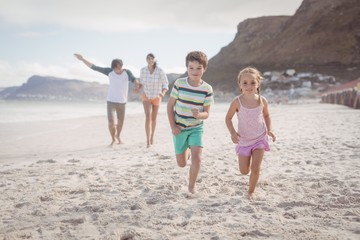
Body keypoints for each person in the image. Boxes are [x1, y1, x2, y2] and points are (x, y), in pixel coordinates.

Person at [225, 67, 276, 199]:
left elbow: (267, 115)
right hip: (244, 140)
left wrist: (270, 129)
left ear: (258, 84)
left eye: (253, 82)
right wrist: (232, 133)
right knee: (244, 171)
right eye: (245, 83)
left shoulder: (262, 100)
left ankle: (251, 191)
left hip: (260, 138)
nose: (249, 86)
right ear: (240, 85)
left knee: (255, 168)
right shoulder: (237, 102)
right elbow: (228, 118)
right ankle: (248, 175)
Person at [167, 51, 214, 194]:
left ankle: (191, 186)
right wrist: (173, 126)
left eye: (198, 68)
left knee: (197, 159)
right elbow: (170, 106)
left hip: (196, 128)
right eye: (191, 67)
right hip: (179, 128)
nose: (195, 71)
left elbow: (207, 114)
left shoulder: (207, 89)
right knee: (181, 164)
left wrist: (199, 114)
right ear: (186, 68)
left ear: (204, 69)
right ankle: (186, 148)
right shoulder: (180, 83)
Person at [74, 53, 138, 146]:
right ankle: (113, 139)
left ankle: (118, 137)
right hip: (111, 101)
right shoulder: (109, 71)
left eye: (119, 68)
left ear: (121, 66)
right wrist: (83, 59)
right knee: (111, 122)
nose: (117, 70)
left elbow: (134, 79)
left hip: (122, 102)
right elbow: (94, 67)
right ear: (113, 68)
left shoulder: (127, 72)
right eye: (115, 68)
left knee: (120, 122)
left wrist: (136, 85)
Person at [136, 53, 169, 148]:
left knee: (153, 119)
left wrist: (163, 93)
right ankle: (147, 141)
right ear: (146, 60)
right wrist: (137, 87)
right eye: (148, 58)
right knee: (147, 116)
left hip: (157, 96)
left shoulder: (160, 71)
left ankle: (152, 137)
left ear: (154, 60)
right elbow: (142, 83)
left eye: (151, 58)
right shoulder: (143, 70)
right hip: (146, 95)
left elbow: (165, 84)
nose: (150, 60)